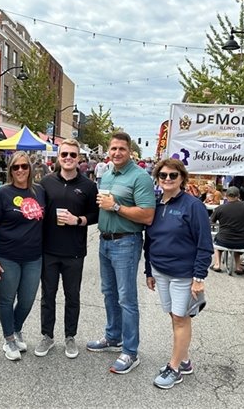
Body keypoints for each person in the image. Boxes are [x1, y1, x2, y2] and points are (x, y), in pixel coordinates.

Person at [86, 132, 155, 374]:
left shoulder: (140, 177)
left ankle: (131, 351)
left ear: (130, 152)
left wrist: (115, 206)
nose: (117, 153)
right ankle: (113, 337)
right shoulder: (106, 175)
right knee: (109, 293)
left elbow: (147, 215)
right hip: (105, 242)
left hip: (126, 242)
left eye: (121, 149)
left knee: (126, 298)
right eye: (113, 148)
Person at [144, 158, 213, 389]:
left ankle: (174, 368)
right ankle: (184, 360)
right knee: (174, 316)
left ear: (182, 178)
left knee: (181, 319)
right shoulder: (156, 203)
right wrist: (148, 271)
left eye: (173, 175)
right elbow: (149, 240)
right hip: (160, 271)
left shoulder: (193, 206)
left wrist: (199, 278)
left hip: (183, 274)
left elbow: (205, 244)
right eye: (163, 175)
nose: (167, 179)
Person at [35, 139, 99, 359]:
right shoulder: (45, 182)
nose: (69, 158)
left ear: (79, 158)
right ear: (58, 157)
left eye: (73, 155)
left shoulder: (88, 186)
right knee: (47, 296)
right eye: (65, 155)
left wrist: (78, 220)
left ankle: (70, 336)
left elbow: (95, 215)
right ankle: (47, 336)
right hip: (49, 249)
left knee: (72, 296)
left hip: (74, 251)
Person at [0, 151, 45, 361]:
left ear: (30, 169)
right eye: (15, 167)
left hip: (34, 257)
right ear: (10, 170)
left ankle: (16, 328)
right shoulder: (1, 193)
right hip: (7, 256)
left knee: (27, 300)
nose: (20, 170)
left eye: (24, 166)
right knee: (7, 299)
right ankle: (9, 339)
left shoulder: (39, 192)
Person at [210, 187, 244, 274]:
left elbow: (211, 222)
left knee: (217, 240)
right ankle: (238, 266)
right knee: (237, 240)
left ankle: (217, 264)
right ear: (238, 196)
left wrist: (221, 224)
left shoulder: (220, 208)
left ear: (226, 196)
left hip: (224, 240)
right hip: (243, 241)